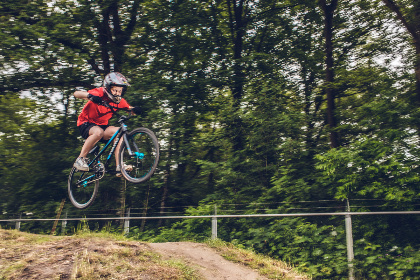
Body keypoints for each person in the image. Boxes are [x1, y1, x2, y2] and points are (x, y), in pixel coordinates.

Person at [73, 72, 142, 177]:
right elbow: (76, 93)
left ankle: (119, 166)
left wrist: (135, 110)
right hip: (86, 123)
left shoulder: (119, 102)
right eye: (115, 90)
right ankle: (80, 159)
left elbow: (129, 108)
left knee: (119, 132)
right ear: (108, 88)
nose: (117, 93)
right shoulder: (99, 93)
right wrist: (90, 96)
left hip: (102, 126)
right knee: (98, 132)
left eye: (120, 91)